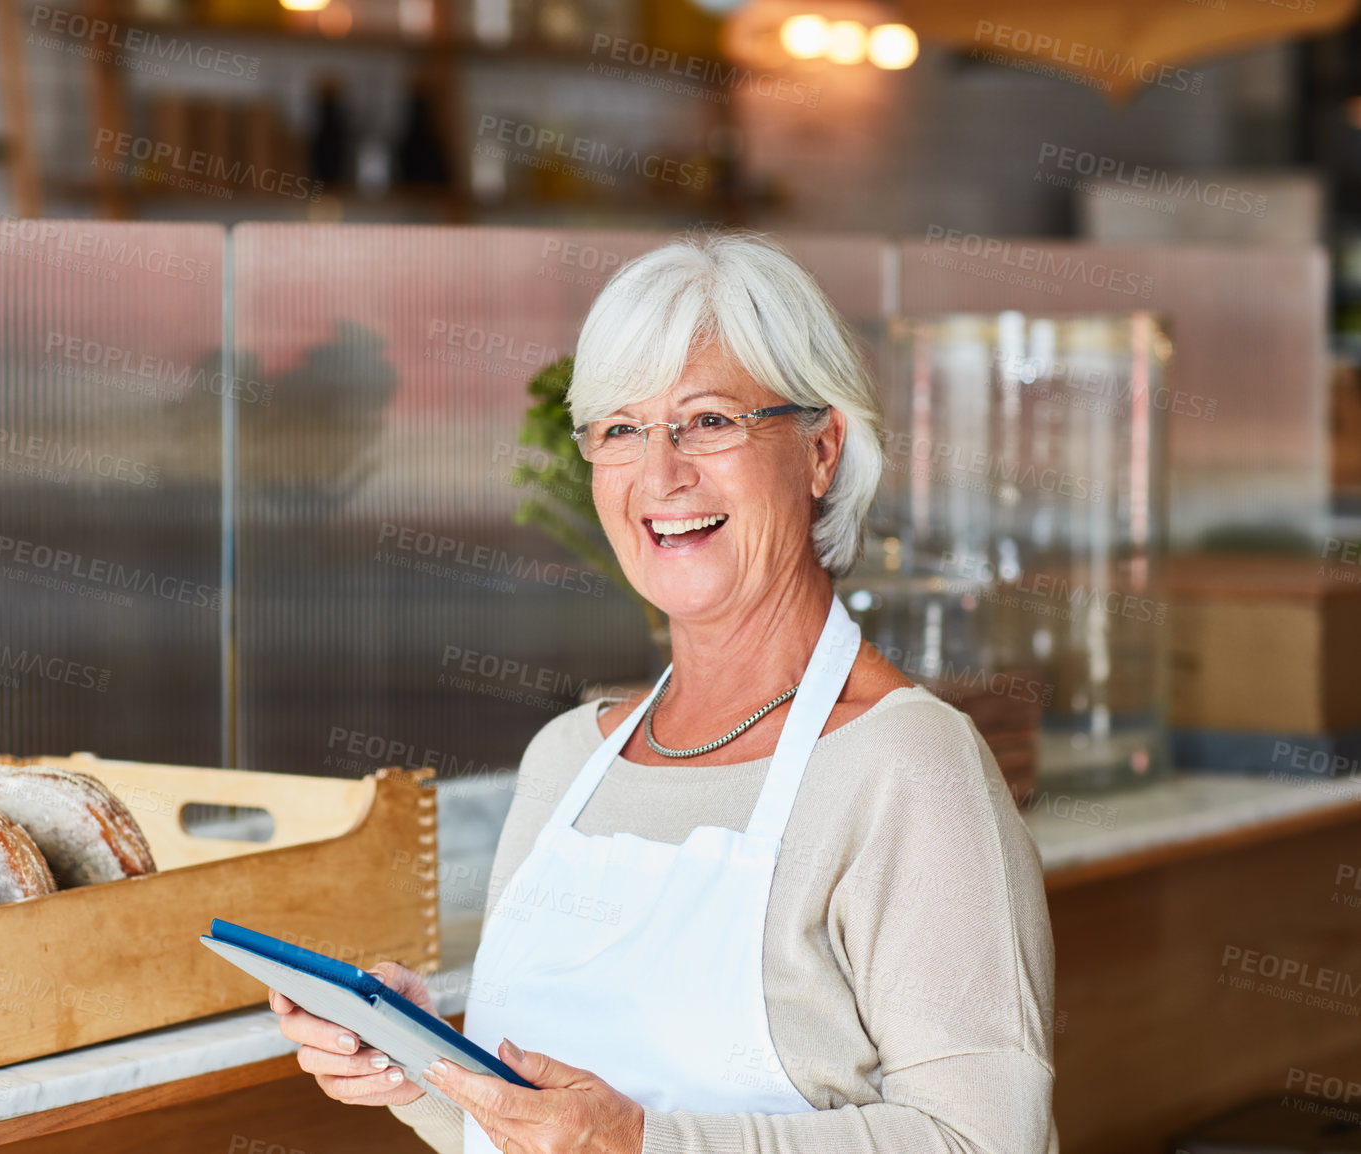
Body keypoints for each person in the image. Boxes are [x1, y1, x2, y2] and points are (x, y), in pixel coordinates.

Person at [269, 233, 1057, 1154]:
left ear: (821, 450)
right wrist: (422, 1068)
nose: (660, 474)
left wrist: (644, 1145)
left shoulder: (909, 765)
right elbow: (538, 1135)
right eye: (620, 430)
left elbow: (985, 1140)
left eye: (710, 420)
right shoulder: (568, 759)